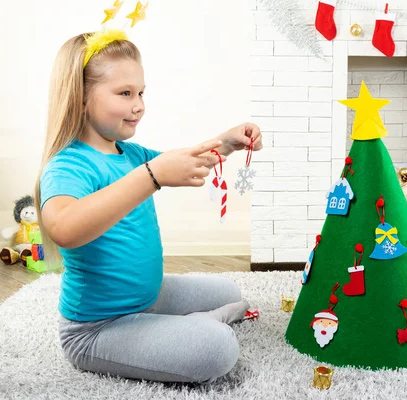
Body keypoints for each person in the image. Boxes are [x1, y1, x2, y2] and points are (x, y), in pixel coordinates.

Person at [35, 29, 263, 384]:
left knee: (228, 291)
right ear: (81, 97)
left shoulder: (131, 155)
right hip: (97, 329)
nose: (138, 104)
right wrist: (152, 175)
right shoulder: (69, 166)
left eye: (141, 92)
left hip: (147, 296)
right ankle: (193, 328)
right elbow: (64, 228)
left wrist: (228, 142)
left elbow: (192, 161)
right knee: (217, 348)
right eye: (125, 93)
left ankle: (172, 325)